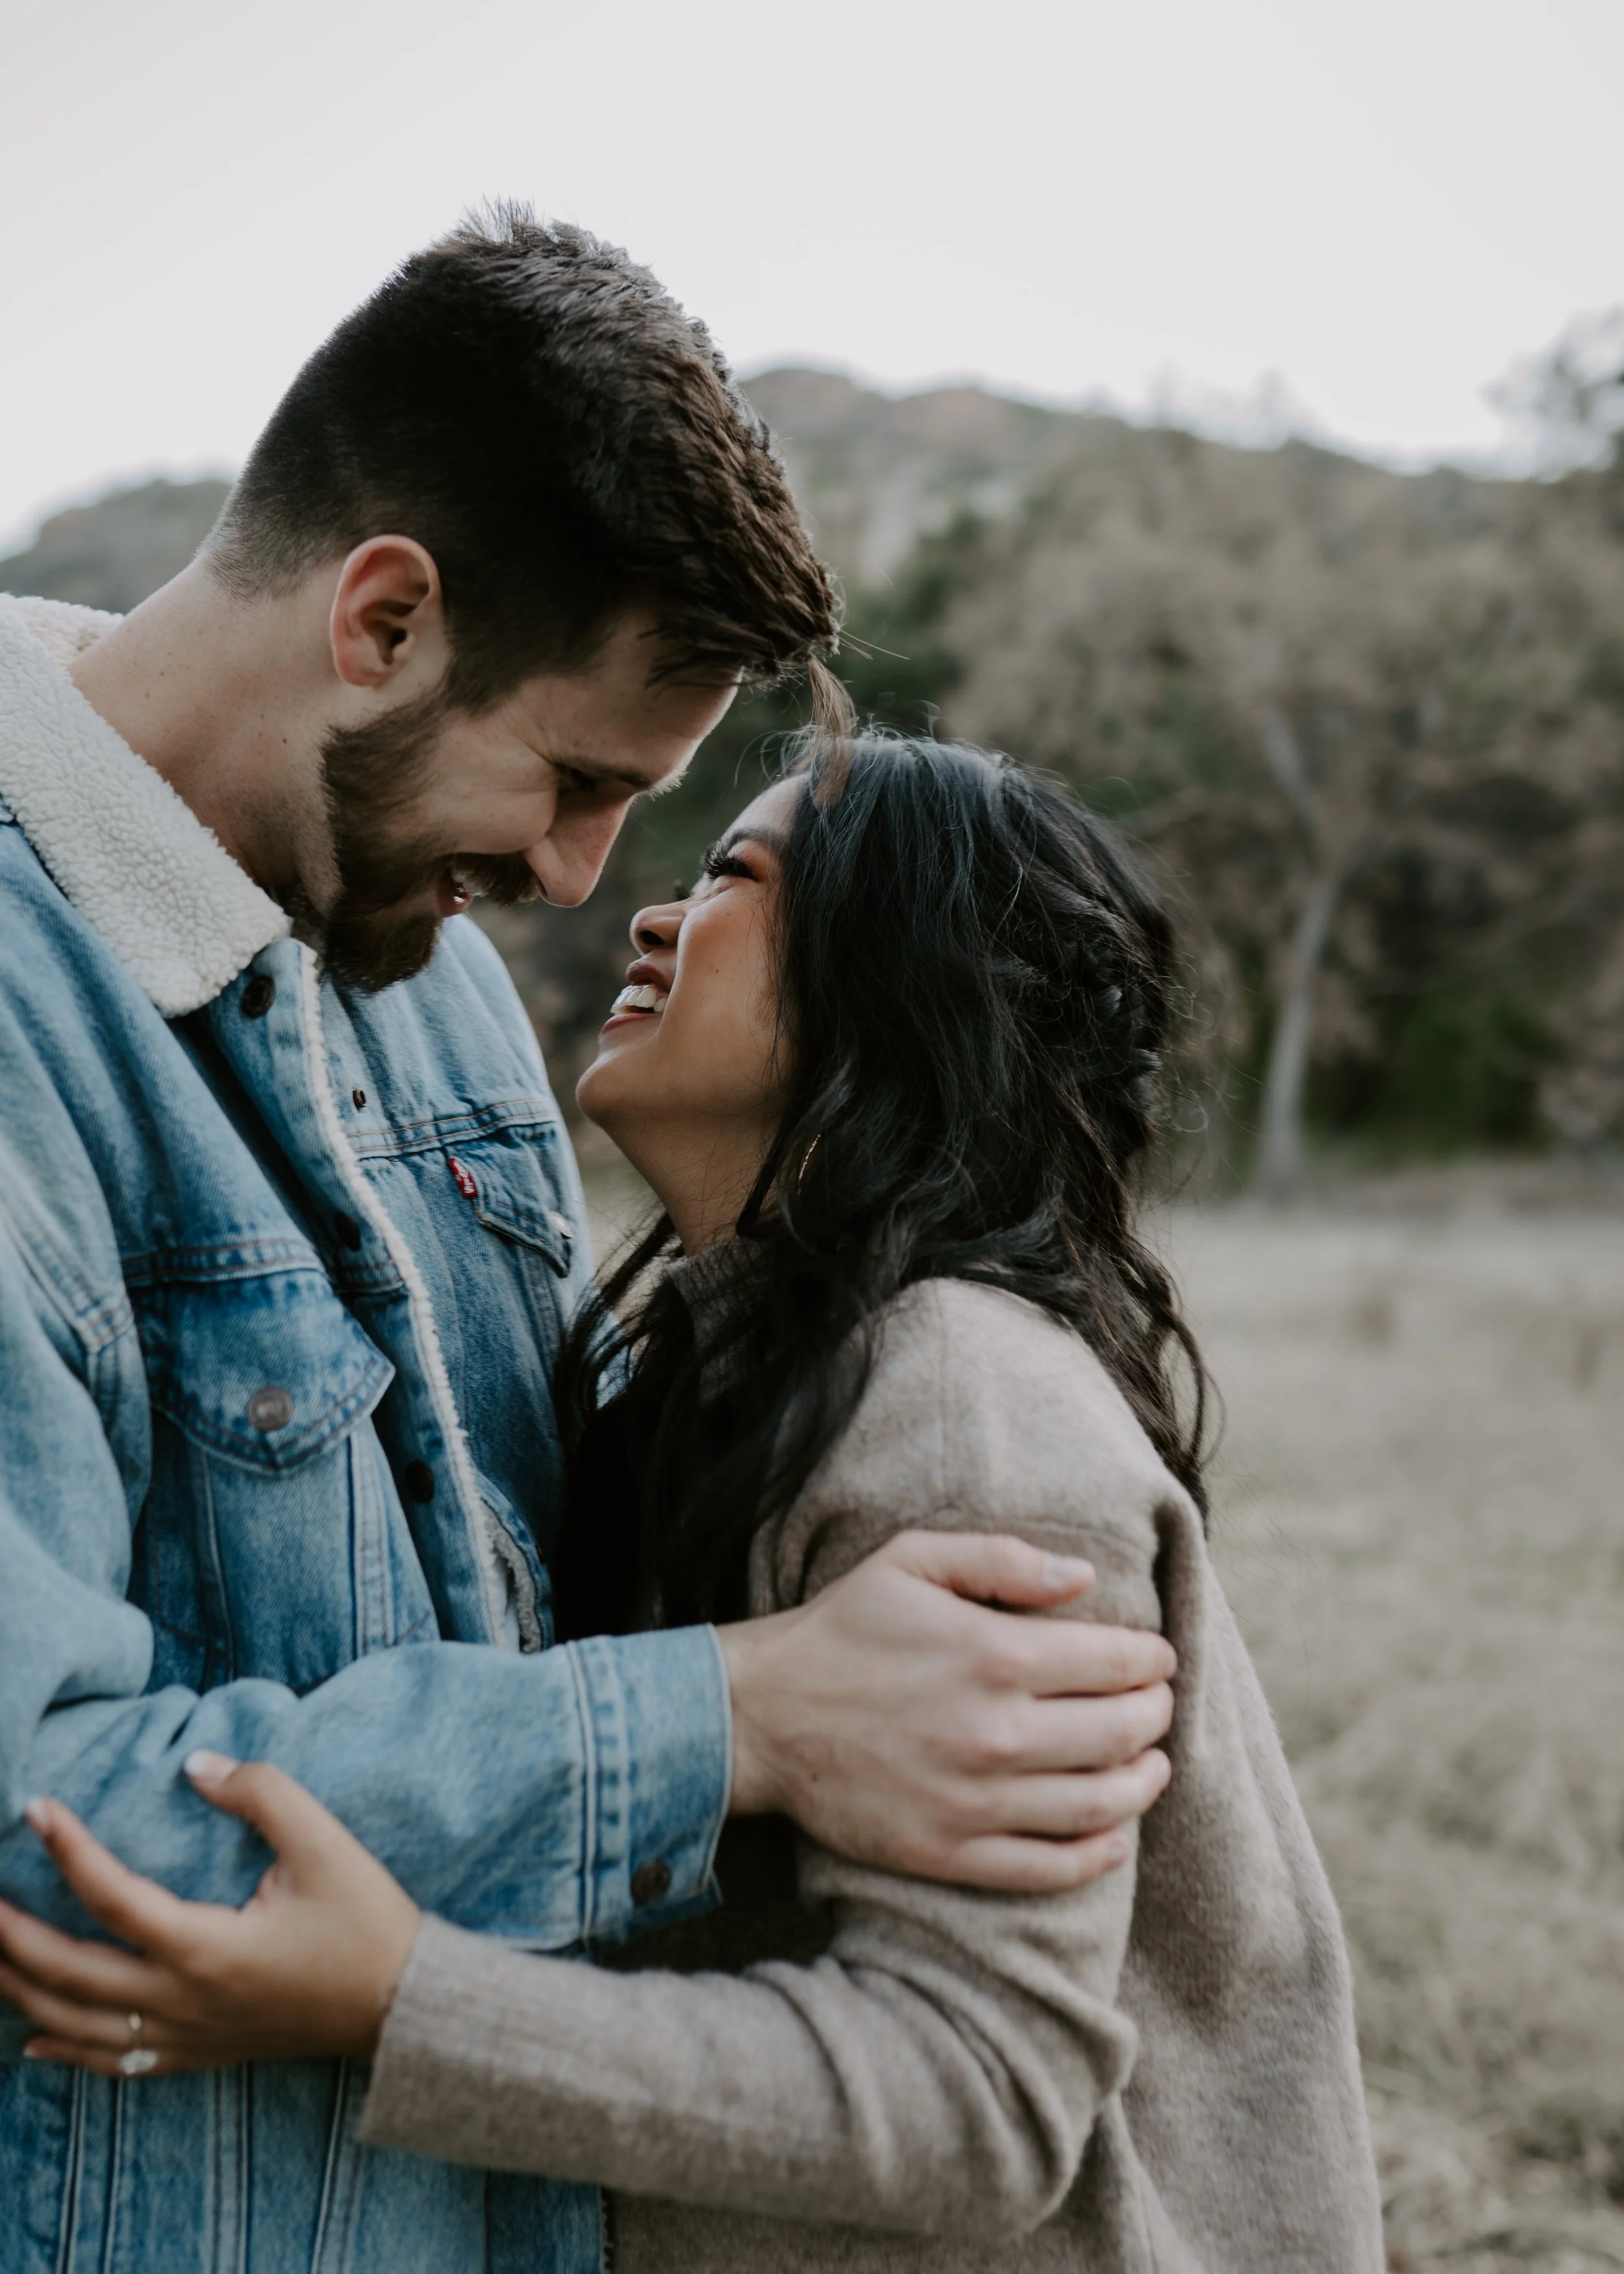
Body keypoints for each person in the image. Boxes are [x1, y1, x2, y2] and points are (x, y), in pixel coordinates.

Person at [0, 214, 1174, 2274]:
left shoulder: (427, 969)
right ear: (379, 619)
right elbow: (37, 1821)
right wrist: (748, 1713)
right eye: (572, 781)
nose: (572, 881)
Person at [0, 738, 1386, 2271]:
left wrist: (397, 1998)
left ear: (901, 980)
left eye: (735, 878)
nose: (653, 915)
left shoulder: (964, 1414)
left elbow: (977, 2097)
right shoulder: (728, 1373)